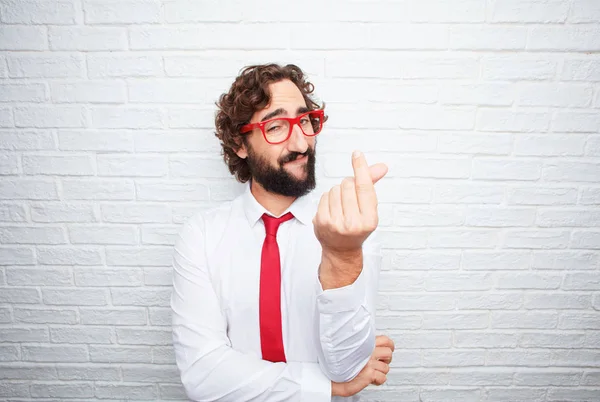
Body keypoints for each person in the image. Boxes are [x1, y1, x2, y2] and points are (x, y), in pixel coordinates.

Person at [170, 63, 394, 401]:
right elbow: (202, 373)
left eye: (305, 121)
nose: (302, 142)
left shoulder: (348, 227)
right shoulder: (201, 236)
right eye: (276, 126)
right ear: (239, 143)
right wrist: (327, 388)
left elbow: (347, 366)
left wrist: (342, 257)